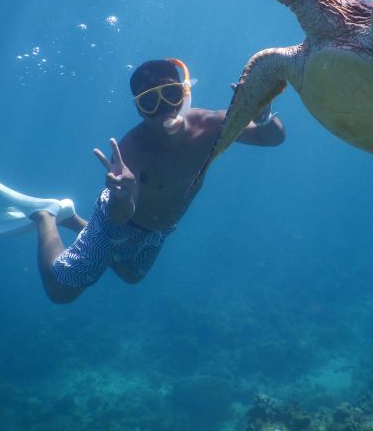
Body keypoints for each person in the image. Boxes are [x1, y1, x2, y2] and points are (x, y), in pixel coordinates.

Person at [28, 58, 285, 303]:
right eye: (150, 101)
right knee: (61, 293)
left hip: (159, 229)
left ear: (184, 94)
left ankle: (72, 220)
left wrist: (262, 115)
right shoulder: (132, 149)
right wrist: (122, 194)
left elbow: (272, 138)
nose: (162, 108)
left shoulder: (212, 125)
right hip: (116, 218)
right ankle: (47, 217)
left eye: (170, 94)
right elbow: (120, 217)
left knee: (131, 276)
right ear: (139, 109)